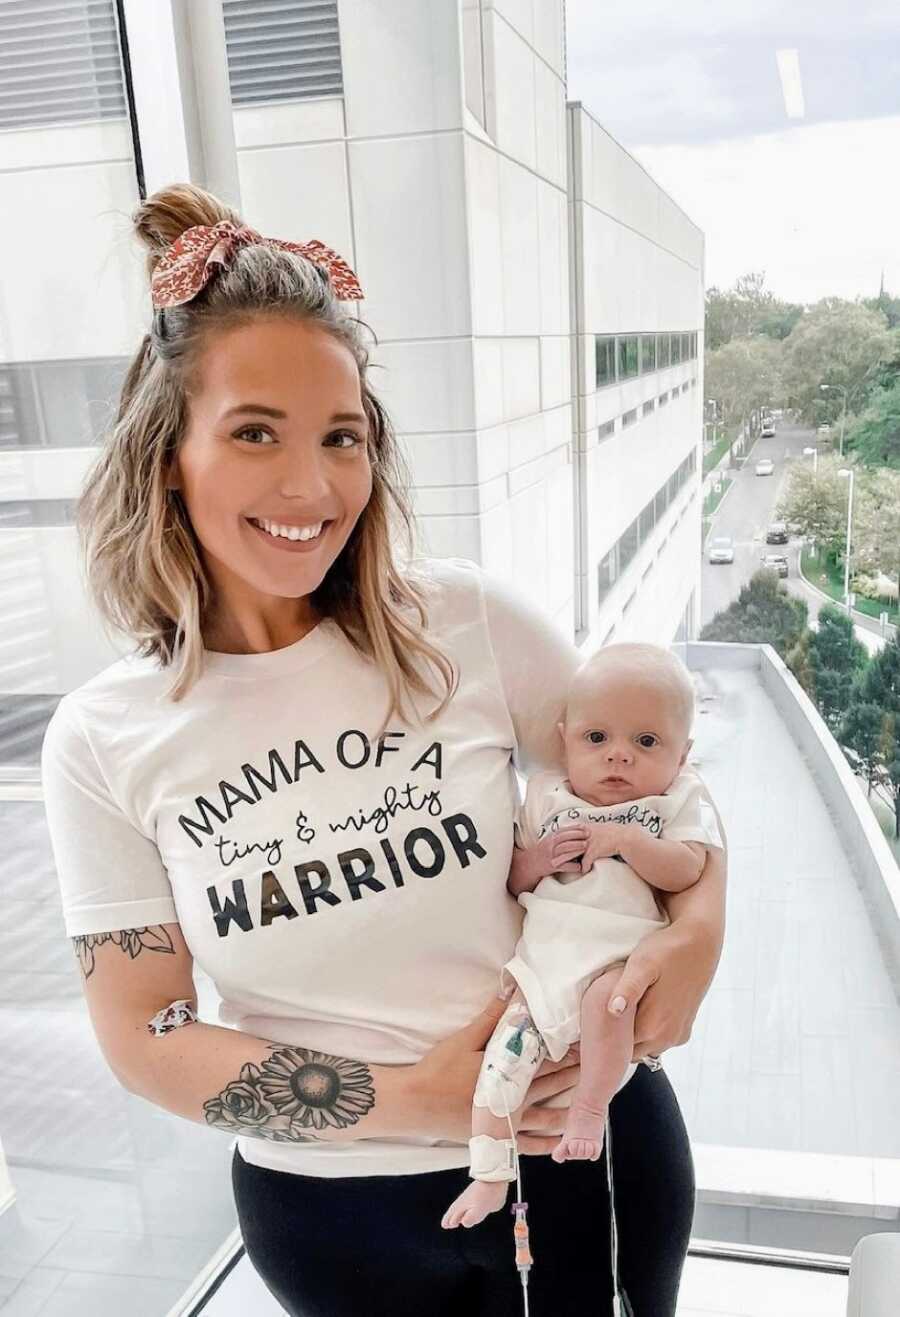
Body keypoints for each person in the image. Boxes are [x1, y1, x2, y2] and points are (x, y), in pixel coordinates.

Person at [40, 182, 727, 1317]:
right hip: (330, 1215)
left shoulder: (463, 621)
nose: (310, 487)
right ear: (171, 454)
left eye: (341, 437)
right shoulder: (105, 738)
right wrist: (420, 1097)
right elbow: (147, 1037)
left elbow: (662, 783)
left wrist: (699, 933)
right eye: (255, 432)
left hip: (582, 1148)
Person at [442, 643, 723, 1237]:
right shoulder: (546, 795)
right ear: (565, 739)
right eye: (597, 739)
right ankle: (490, 1174)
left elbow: (689, 869)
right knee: (501, 1065)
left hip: (619, 963)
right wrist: (541, 857)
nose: (619, 756)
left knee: (609, 1011)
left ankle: (589, 1118)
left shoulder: (672, 801)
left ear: (683, 754)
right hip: (544, 967)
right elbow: (512, 877)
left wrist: (623, 839)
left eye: (647, 743)